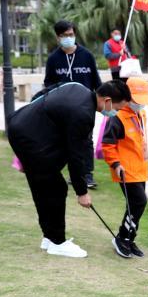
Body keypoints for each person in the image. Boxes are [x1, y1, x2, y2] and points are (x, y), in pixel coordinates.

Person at [7, 80, 126, 258]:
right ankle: (57, 242)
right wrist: (82, 192)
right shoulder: (82, 113)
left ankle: (49, 237)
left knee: (44, 184)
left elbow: (40, 96)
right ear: (107, 100)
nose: (116, 112)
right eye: (118, 108)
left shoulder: (78, 88)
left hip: (22, 125)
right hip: (29, 136)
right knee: (55, 187)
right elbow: (75, 155)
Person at [44, 20, 102, 189]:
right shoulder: (53, 59)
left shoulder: (87, 56)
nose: (68, 38)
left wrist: (104, 102)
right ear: (58, 37)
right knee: (65, 141)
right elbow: (48, 84)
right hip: (62, 108)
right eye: (64, 36)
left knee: (86, 140)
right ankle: (72, 173)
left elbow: (96, 82)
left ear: (75, 34)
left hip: (85, 107)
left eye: (70, 35)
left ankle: (88, 175)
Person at [101, 78, 148, 259]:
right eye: (136, 100)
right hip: (125, 170)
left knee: (135, 206)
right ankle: (122, 237)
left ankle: (129, 238)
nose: (140, 104)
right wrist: (115, 164)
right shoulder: (118, 116)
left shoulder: (140, 114)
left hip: (140, 168)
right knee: (139, 202)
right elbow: (107, 144)